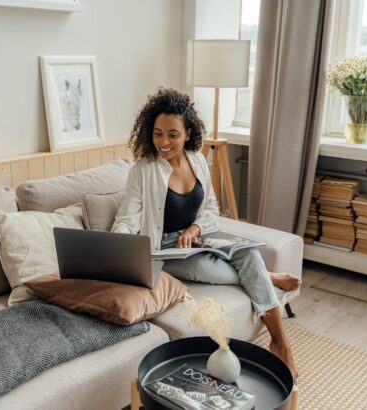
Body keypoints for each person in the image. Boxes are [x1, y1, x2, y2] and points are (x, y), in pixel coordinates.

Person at [111, 88, 299, 380]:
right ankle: (269, 279)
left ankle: (280, 342)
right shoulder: (143, 171)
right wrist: (119, 246)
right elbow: (126, 218)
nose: (163, 142)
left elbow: (211, 209)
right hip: (163, 251)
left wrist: (195, 228)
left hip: (197, 240)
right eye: (157, 133)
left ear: (188, 133)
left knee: (248, 252)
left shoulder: (197, 160)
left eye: (172, 134)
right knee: (222, 273)